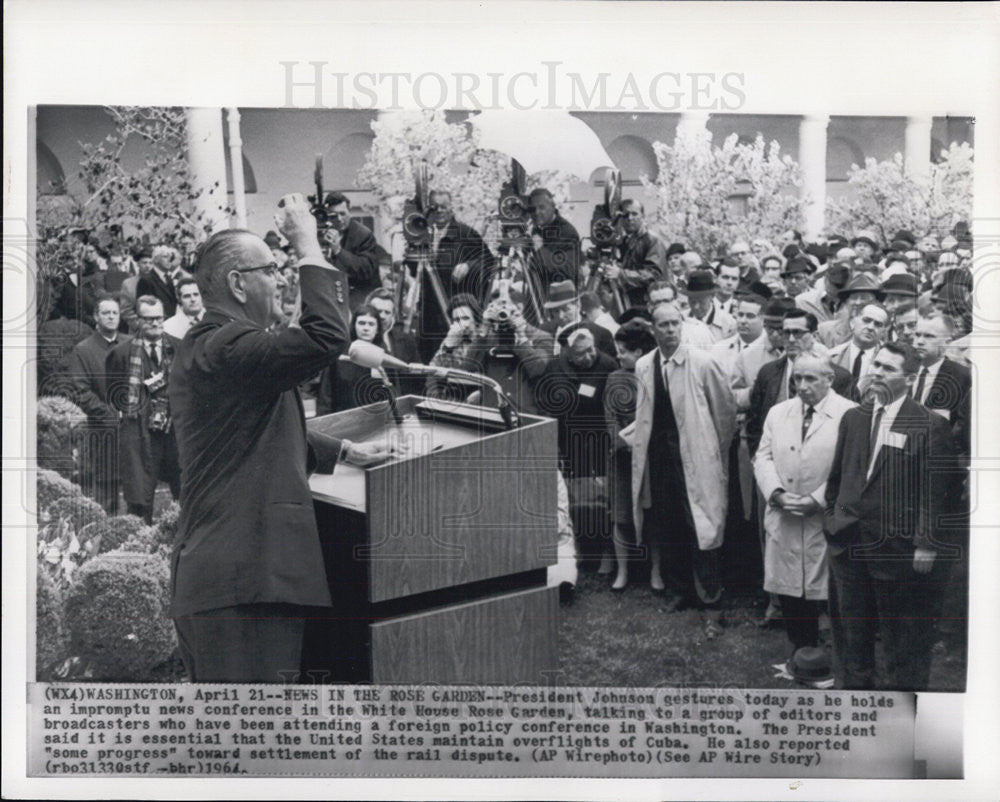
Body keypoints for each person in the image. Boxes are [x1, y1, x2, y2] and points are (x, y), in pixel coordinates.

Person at [166, 194, 391, 683]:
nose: (282, 277)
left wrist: (347, 449)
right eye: (271, 269)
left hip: (241, 581)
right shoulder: (226, 344)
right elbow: (326, 336)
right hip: (242, 586)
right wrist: (305, 240)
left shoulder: (221, 345)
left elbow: (257, 426)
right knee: (248, 742)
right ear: (237, 284)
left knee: (251, 740)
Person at [823, 342, 956, 690]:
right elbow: (837, 478)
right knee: (853, 635)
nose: (877, 373)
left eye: (887, 368)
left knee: (904, 639)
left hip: (897, 550)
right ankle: (856, 704)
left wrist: (925, 543)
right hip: (848, 544)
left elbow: (935, 491)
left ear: (909, 378)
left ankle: (904, 712)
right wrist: (832, 520)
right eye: (876, 365)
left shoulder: (929, 425)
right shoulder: (854, 418)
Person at [631, 302, 736, 636]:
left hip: (697, 456)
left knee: (702, 527)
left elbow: (724, 412)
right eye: (663, 325)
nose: (671, 330)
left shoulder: (703, 363)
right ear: (653, 329)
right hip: (659, 457)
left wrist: (714, 454)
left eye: (675, 323)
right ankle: (679, 591)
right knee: (668, 522)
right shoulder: (645, 365)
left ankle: (712, 602)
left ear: (683, 325)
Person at [753, 355, 856, 662]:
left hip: (825, 513)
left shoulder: (849, 414)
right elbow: (763, 457)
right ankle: (801, 651)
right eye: (797, 378)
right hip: (784, 512)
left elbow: (850, 465)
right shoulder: (778, 412)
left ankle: (836, 654)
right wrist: (777, 493)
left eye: (811, 379)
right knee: (789, 585)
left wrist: (818, 499)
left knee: (828, 584)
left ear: (830, 380)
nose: (802, 386)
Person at [105, 296, 181, 523]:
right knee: (139, 497)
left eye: (159, 318)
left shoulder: (179, 347)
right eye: (148, 319)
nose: (155, 323)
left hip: (174, 432)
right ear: (138, 321)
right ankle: (139, 545)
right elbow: (114, 394)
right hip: (139, 433)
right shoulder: (121, 353)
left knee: (184, 490)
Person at [426, 288, 554, 415]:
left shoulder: (541, 337)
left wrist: (521, 337)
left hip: (524, 412)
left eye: (504, 307)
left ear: (519, 308)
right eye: (495, 308)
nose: (501, 313)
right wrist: (484, 328)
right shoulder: (488, 338)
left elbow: (537, 368)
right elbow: (468, 366)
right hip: (492, 411)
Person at [747, 310, 854, 457]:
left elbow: (849, 429)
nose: (791, 339)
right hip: (773, 464)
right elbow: (755, 424)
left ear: (815, 336)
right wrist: (759, 461)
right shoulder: (768, 373)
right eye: (786, 333)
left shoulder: (838, 377)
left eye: (798, 333)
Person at [411, 189, 495, 362]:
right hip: (429, 313)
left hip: (456, 309)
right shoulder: (423, 234)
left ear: (451, 208)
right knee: (430, 358)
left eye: (444, 206)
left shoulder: (465, 234)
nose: (440, 211)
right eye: (435, 207)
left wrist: (468, 266)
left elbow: (488, 261)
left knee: (457, 358)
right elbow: (414, 269)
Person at [603, 319, 657, 591]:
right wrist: (620, 442)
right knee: (621, 516)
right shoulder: (614, 378)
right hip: (622, 458)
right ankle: (622, 570)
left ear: (638, 352)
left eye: (623, 350)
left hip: (650, 459)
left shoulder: (655, 377)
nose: (618, 355)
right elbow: (610, 417)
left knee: (653, 514)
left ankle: (656, 571)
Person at [66, 294, 132, 511]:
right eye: (106, 313)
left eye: (115, 313)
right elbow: (80, 391)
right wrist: (110, 416)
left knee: (137, 486)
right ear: (96, 316)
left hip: (133, 426)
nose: (111, 317)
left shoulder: (131, 343)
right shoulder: (83, 350)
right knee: (107, 489)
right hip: (102, 429)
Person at [315, 305, 394, 415]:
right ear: (354, 326)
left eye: (371, 324)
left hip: (375, 420)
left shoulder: (385, 357)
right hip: (341, 419)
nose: (366, 328)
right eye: (361, 323)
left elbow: (394, 393)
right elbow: (325, 395)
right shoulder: (339, 354)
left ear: (377, 329)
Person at [317, 191, 381, 312]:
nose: (339, 219)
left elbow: (366, 270)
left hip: (361, 299)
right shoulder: (323, 233)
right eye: (334, 215)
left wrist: (338, 250)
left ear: (349, 211)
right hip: (333, 296)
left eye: (343, 214)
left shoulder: (363, 234)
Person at [597, 199, 665, 309]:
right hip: (631, 303)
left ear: (642, 216)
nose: (630, 218)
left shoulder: (652, 240)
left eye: (634, 214)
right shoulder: (625, 241)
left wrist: (621, 274)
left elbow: (654, 274)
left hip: (650, 303)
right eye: (625, 215)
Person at [527, 187, 581, 299]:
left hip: (562, 298)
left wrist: (539, 249)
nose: (537, 213)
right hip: (540, 293)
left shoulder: (567, 231)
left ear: (552, 207)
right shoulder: (538, 228)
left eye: (542, 207)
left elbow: (564, 269)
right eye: (533, 209)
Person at [543, 280, 616, 358]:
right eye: (556, 311)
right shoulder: (545, 332)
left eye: (566, 309)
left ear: (578, 305)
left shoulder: (600, 334)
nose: (560, 316)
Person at [817, 273, 883, 349]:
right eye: (854, 298)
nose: (858, 302)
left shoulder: (883, 334)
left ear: (875, 303)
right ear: (846, 302)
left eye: (864, 298)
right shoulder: (825, 331)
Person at [827, 302, 889, 383]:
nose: (871, 327)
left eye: (878, 324)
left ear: (883, 331)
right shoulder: (831, 357)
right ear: (852, 323)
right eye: (866, 320)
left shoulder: (888, 360)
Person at [646, 280, 714, 350]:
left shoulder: (698, 331)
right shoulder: (645, 334)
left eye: (667, 301)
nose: (663, 306)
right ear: (649, 307)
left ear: (677, 303)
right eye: (657, 303)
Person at [680, 269, 735, 342]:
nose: (696, 307)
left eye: (702, 302)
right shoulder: (681, 319)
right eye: (692, 302)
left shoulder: (728, 323)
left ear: (712, 296)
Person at [795, 259, 849, 323]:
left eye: (841, 285)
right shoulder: (803, 301)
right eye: (835, 284)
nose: (836, 289)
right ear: (825, 280)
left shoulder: (854, 303)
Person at [136, 245, 180, 318]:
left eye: (171, 257)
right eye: (165, 256)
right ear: (156, 259)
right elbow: (143, 309)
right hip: (157, 322)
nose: (170, 260)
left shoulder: (169, 279)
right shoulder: (146, 280)